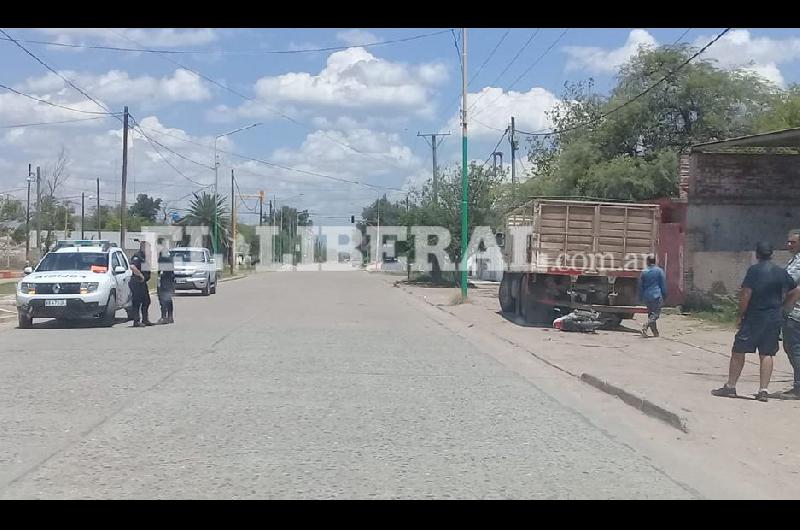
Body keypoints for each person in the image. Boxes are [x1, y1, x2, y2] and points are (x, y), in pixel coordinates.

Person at [712, 241, 800, 402]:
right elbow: (795, 290)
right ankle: (763, 391)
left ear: (757, 254)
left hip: (753, 318)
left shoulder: (754, 271)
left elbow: (746, 294)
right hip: (774, 318)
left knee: (738, 351)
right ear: (771, 254)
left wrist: (740, 314)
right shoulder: (780, 272)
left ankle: (730, 387)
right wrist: (785, 306)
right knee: (767, 353)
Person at [774, 230, 800, 399]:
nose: (789, 245)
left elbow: (790, 284)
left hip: (795, 312)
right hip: (791, 311)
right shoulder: (795, 259)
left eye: (793, 242)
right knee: (791, 348)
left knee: (794, 349)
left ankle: (798, 388)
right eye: (789, 242)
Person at [638, 255, 667, 337]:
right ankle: (646, 325)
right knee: (655, 315)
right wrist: (665, 295)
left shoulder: (644, 272)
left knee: (651, 314)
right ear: (655, 261)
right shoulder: (659, 271)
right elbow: (663, 285)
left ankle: (655, 333)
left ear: (647, 262)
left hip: (647, 296)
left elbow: (640, 286)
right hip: (657, 295)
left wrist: (640, 297)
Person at [129, 240, 153, 327]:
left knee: (146, 301)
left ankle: (145, 320)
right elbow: (132, 266)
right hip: (136, 282)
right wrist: (140, 275)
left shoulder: (145, 257)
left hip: (142, 283)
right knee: (137, 302)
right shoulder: (137, 256)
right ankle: (136, 321)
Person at [157, 239, 175, 325]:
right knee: (167, 298)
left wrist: (160, 276)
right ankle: (169, 316)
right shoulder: (167, 253)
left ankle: (164, 317)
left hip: (165, 279)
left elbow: (164, 268)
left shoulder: (164, 255)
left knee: (163, 298)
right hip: (168, 279)